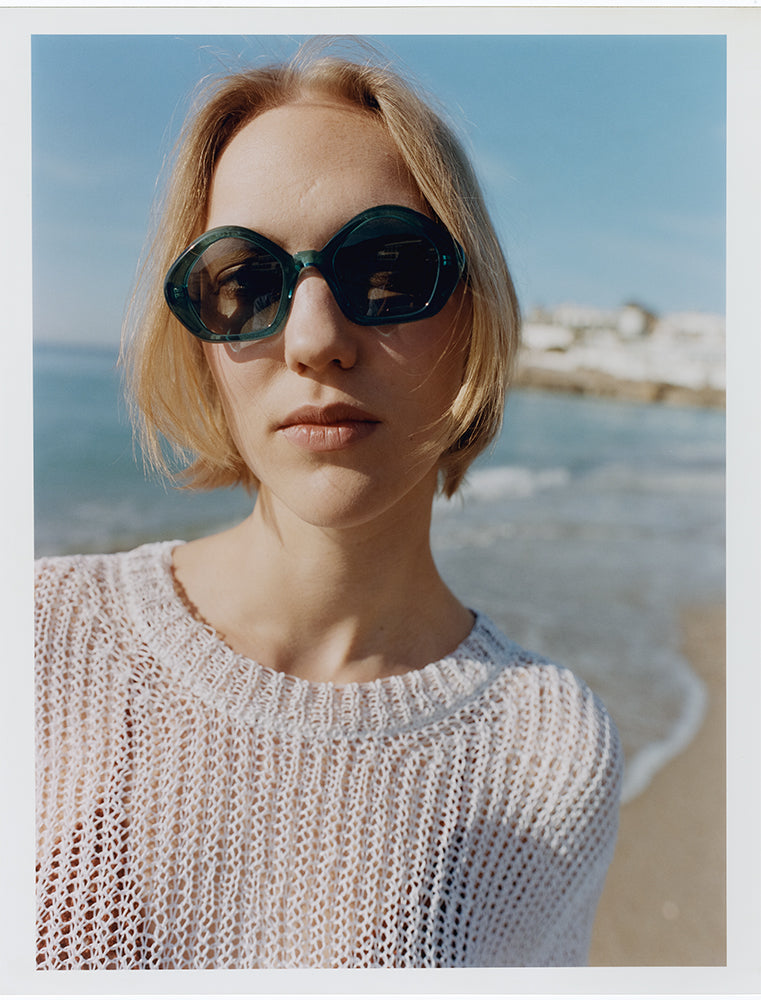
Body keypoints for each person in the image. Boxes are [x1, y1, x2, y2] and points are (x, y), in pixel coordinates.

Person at [35, 49, 623, 970]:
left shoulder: (547, 751)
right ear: (198, 342)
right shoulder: (40, 640)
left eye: (386, 270)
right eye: (243, 282)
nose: (313, 339)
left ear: (474, 311)